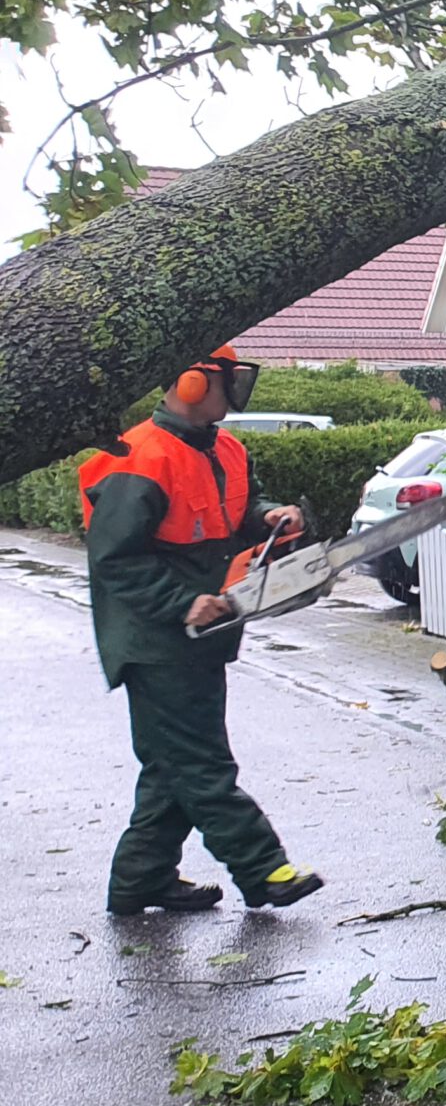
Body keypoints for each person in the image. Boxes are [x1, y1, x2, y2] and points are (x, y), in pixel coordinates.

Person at [81, 347, 326, 916]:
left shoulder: (224, 448)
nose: (236, 390)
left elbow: (236, 510)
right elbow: (114, 560)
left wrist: (268, 516)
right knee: (200, 764)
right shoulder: (138, 457)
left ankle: (141, 880)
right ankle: (264, 869)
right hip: (153, 638)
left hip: (204, 633)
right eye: (227, 381)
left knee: (172, 766)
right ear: (192, 383)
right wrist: (181, 602)